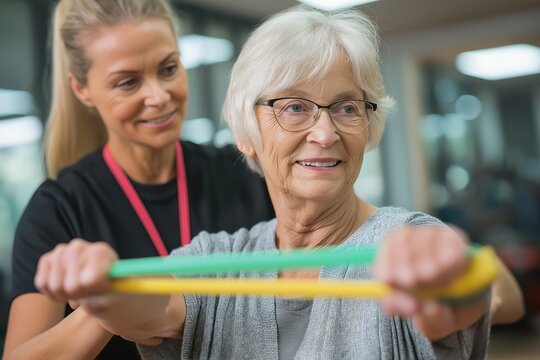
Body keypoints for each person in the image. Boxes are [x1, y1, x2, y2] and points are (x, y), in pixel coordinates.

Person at [30, 5, 523, 360]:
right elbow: (150, 310)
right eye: (293, 107)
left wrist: (456, 281)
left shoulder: (403, 239)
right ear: (248, 132)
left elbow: (462, 301)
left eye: (347, 107)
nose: (325, 132)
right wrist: (104, 289)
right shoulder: (217, 260)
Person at [3, 0, 274, 359]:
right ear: (82, 89)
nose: (159, 96)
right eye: (128, 83)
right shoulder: (59, 209)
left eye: (169, 69)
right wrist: (111, 305)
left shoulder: (248, 174)